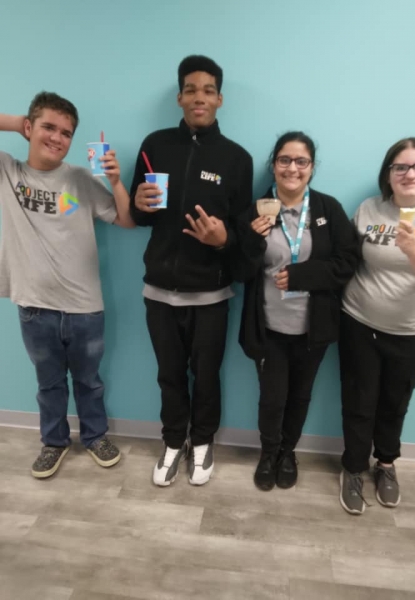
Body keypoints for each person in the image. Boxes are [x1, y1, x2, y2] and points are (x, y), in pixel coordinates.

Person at [129, 55, 253, 487]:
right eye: (191, 90)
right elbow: (140, 215)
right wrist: (138, 205)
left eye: (208, 90)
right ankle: (172, 440)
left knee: (206, 376)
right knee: (168, 374)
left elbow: (243, 233)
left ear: (219, 99)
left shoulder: (237, 158)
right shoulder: (155, 144)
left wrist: (222, 240)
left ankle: (202, 440)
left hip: (210, 294)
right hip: (159, 290)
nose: (199, 97)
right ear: (180, 97)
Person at [0, 92, 135, 479]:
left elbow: (126, 220)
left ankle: (95, 436)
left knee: (90, 382)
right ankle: (54, 442)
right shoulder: (8, 172)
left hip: (85, 307)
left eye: (66, 133)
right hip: (34, 306)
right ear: (30, 127)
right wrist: (19, 124)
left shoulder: (79, 179)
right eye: (48, 127)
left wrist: (115, 182)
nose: (57, 138)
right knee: (49, 384)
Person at [238, 132, 359, 491]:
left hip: (312, 328)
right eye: (284, 160)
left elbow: (348, 261)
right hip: (268, 328)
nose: (292, 168)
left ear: (312, 167)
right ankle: (268, 453)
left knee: (300, 395)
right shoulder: (255, 210)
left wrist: (303, 275)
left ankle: (288, 452)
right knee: (272, 398)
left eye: (301, 161)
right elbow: (238, 271)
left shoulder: (327, 209)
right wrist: (251, 241)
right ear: (273, 165)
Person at [339, 137, 415, 515]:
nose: (410, 174)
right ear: (388, 174)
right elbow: (347, 258)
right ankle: (353, 467)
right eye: (400, 167)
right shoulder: (369, 208)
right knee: (359, 402)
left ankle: (386, 463)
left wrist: (414, 249)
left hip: (410, 331)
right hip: (358, 321)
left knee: (394, 403)